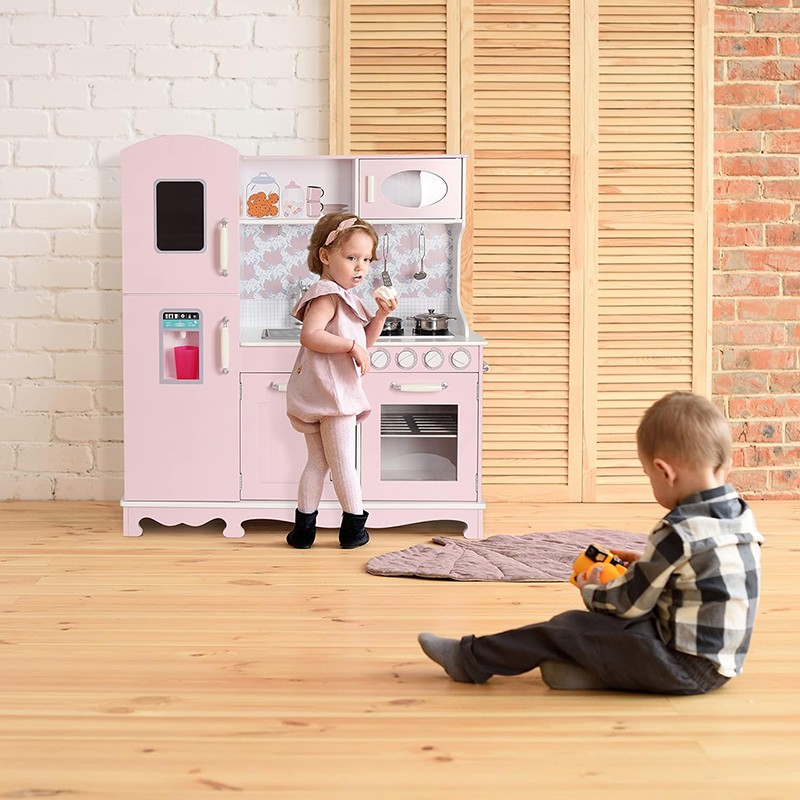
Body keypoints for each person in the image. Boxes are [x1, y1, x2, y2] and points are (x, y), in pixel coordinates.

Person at [418, 391, 763, 694]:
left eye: (648, 475)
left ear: (664, 471)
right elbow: (702, 568)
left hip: (683, 665)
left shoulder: (677, 531)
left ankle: (468, 659)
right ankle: (582, 674)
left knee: (569, 627)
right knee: (596, 637)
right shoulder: (739, 514)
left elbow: (627, 605)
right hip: (723, 663)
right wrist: (649, 561)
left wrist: (592, 588)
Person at [285, 213, 399, 550]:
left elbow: (364, 342)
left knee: (318, 462)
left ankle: (302, 533)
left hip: (324, 392)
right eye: (351, 258)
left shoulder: (343, 297)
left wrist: (380, 315)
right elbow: (311, 335)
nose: (360, 267)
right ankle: (353, 530)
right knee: (343, 464)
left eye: (365, 259)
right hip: (334, 397)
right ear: (325, 256)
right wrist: (350, 346)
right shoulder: (326, 295)